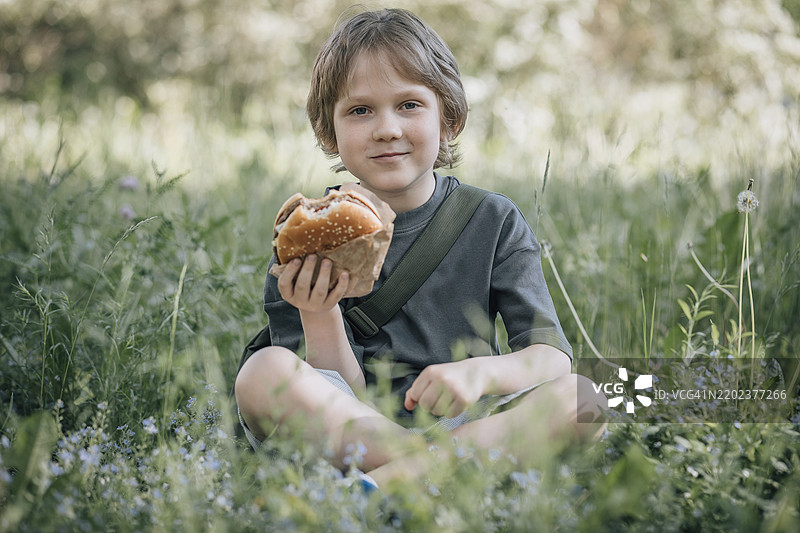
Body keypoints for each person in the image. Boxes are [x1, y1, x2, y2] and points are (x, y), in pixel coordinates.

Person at [235, 7, 604, 489]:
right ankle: (429, 475)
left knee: (589, 397)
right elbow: (337, 393)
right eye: (360, 110)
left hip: (472, 422)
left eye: (409, 105)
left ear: (449, 119)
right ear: (329, 131)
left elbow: (550, 357)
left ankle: (382, 490)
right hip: (354, 429)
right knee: (263, 372)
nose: (386, 128)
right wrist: (319, 313)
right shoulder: (307, 237)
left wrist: (480, 374)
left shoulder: (492, 220)